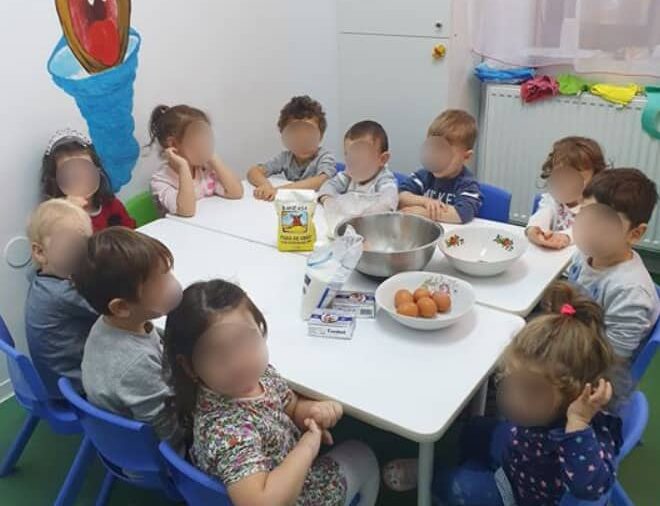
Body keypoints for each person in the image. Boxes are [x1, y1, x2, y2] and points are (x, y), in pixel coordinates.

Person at [384, 281, 623, 506]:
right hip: (519, 451)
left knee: (460, 487)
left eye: (531, 392)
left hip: (518, 495)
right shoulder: (539, 412)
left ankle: (432, 475)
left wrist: (578, 424)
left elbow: (590, 487)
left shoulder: (587, 433)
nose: (515, 399)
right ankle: (461, 457)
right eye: (513, 381)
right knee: (476, 428)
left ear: (575, 396)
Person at [164, 279, 380, 506]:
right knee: (362, 454)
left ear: (260, 328)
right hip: (290, 494)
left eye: (246, 341)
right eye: (220, 356)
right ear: (189, 366)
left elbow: (290, 406)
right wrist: (308, 446)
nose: (240, 362)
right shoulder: (227, 431)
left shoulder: (259, 376)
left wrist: (312, 411)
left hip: (284, 463)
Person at [73, 227, 184, 449]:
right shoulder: (136, 365)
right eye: (160, 282)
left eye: (168, 273)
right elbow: (168, 434)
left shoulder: (110, 322)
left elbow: (152, 337)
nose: (173, 285)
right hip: (157, 453)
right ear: (122, 307)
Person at [569, 168, 660, 360]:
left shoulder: (630, 292)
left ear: (635, 234)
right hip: (575, 333)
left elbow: (613, 359)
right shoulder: (584, 254)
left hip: (596, 361)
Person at [25, 199, 97, 398]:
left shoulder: (39, 278)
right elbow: (112, 309)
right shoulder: (63, 293)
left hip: (54, 380)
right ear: (40, 252)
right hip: (76, 388)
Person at [149, 104, 243, 217]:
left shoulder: (204, 169)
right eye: (198, 141)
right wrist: (183, 167)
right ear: (173, 144)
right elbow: (187, 211)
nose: (205, 146)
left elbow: (236, 192)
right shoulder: (161, 180)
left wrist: (213, 157)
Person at [40, 128, 135, 231]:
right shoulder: (58, 220)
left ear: (97, 171)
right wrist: (68, 214)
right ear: (56, 181)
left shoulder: (112, 206)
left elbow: (132, 233)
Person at [399, 109, 482, 223]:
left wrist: (426, 213)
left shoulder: (467, 184)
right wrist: (425, 202)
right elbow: (401, 195)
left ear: (466, 157)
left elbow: (463, 213)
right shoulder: (424, 175)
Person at [247, 96, 337, 201]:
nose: (302, 138)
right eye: (294, 133)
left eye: (309, 132)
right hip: (295, 204)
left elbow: (321, 181)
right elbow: (253, 171)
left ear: (320, 136)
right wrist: (266, 185)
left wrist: (279, 190)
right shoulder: (285, 157)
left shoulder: (325, 156)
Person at [527, 137, 607, 249]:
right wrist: (534, 229)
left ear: (595, 178)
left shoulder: (596, 205)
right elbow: (543, 214)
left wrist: (565, 237)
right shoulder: (553, 198)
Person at [318, 120, 398, 212]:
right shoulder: (348, 175)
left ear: (382, 159)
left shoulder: (383, 178)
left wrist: (371, 212)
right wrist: (328, 200)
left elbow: (389, 200)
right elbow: (328, 185)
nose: (352, 162)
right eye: (347, 155)